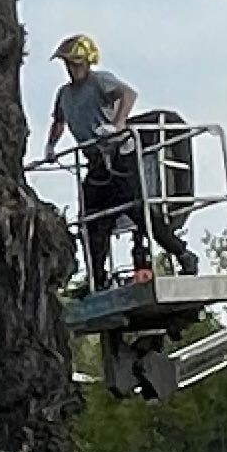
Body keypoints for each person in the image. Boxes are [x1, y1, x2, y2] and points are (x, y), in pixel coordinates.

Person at [44, 34, 147, 284]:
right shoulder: (65, 94)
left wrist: (118, 123)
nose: (71, 69)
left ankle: (177, 252)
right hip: (96, 161)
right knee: (92, 220)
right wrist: (51, 146)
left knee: (136, 210)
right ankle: (97, 279)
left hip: (119, 156)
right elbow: (59, 121)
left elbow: (129, 94)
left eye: (76, 63)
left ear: (87, 63)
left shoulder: (100, 81)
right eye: (68, 64)